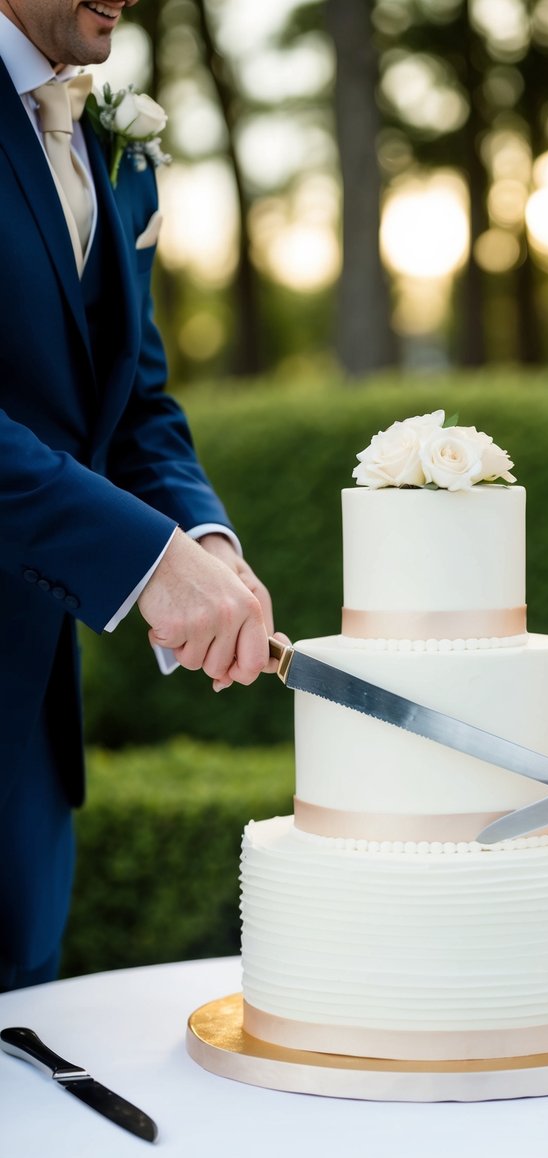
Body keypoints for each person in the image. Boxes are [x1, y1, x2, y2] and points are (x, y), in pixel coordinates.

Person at [0, 0, 281, 992]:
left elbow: (132, 400)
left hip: (28, 735)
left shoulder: (119, 143)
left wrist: (202, 539)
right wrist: (143, 562)